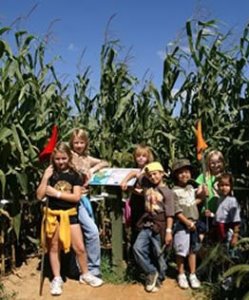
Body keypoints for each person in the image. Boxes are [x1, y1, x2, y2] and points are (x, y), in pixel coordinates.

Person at [36, 142, 103, 296]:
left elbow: (76, 197)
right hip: (53, 215)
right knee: (53, 248)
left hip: (70, 214)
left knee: (79, 247)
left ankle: (85, 274)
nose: (61, 162)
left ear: (69, 157)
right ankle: (57, 278)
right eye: (58, 159)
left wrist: (56, 194)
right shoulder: (50, 173)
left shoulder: (75, 175)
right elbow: (39, 196)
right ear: (54, 158)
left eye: (64, 158)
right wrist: (45, 178)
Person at [69, 128, 108, 277]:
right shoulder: (70, 156)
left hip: (85, 199)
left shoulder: (86, 158)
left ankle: (84, 267)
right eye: (76, 142)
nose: (79, 145)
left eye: (81, 142)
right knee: (90, 232)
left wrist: (94, 169)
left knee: (85, 233)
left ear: (86, 143)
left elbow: (105, 162)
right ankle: (92, 269)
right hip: (73, 199)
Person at [133, 162, 174, 293]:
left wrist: (168, 231)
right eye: (150, 175)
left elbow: (170, 214)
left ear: (162, 174)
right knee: (137, 248)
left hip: (160, 224)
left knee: (159, 253)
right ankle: (151, 271)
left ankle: (160, 278)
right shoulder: (147, 186)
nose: (152, 177)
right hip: (147, 223)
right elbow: (136, 174)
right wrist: (125, 180)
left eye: (155, 174)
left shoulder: (168, 192)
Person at [172, 159, 205, 290]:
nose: (184, 175)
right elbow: (177, 211)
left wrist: (203, 194)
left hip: (194, 223)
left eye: (186, 172)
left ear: (190, 173)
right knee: (181, 250)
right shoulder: (174, 191)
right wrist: (187, 222)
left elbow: (194, 201)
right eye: (180, 173)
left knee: (193, 250)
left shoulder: (191, 188)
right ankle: (181, 274)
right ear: (175, 175)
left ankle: (192, 274)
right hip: (182, 224)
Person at [120, 144, 154, 243]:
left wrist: (131, 188)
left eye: (143, 156)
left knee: (142, 224)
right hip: (136, 201)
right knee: (135, 224)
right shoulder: (135, 169)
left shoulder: (149, 170)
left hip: (146, 202)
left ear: (148, 157)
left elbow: (146, 190)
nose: (140, 158)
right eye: (138, 156)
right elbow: (133, 173)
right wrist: (125, 182)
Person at [207, 173, 241, 246]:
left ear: (231, 187)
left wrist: (235, 235)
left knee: (228, 250)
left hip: (227, 231)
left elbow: (236, 220)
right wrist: (211, 215)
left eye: (227, 185)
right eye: (222, 185)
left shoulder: (232, 201)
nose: (224, 188)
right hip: (219, 230)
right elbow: (219, 215)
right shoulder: (220, 199)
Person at [196, 150, 225, 216]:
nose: (215, 165)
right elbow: (197, 193)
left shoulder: (226, 177)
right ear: (208, 163)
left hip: (222, 213)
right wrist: (202, 191)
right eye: (212, 163)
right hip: (206, 213)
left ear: (222, 162)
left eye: (218, 162)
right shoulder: (203, 177)